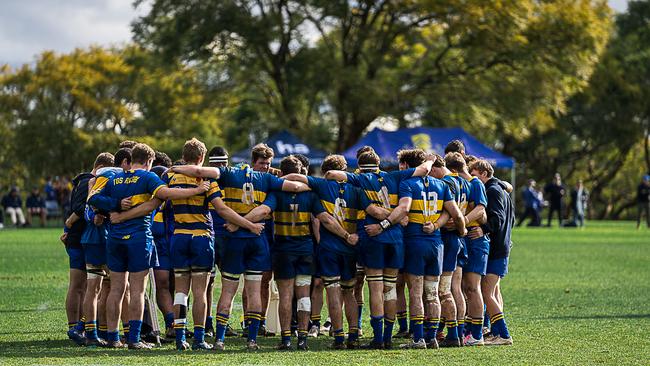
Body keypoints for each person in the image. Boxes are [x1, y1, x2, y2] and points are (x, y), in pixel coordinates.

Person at [169, 149, 309, 351]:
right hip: (255, 239)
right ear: (254, 162)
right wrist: (311, 183)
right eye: (264, 162)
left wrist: (175, 168)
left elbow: (199, 171)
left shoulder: (228, 173)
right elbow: (290, 190)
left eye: (268, 163)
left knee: (227, 291)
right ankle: (251, 340)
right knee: (252, 291)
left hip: (232, 240)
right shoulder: (268, 179)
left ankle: (219, 340)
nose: (267, 166)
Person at [89, 143, 210, 349]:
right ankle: (135, 339)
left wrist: (116, 206)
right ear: (149, 161)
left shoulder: (114, 178)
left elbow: (93, 198)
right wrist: (197, 190)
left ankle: (113, 337)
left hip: (115, 239)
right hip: (138, 239)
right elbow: (167, 194)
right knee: (137, 290)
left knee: (116, 289)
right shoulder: (148, 177)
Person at [323, 149, 433, 349]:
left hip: (373, 238)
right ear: (379, 164)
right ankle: (389, 338)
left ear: (360, 166)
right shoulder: (394, 176)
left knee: (375, 288)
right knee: (389, 288)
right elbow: (424, 169)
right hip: (397, 239)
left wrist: (333, 175)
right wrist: (431, 160)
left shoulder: (359, 180)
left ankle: (378, 338)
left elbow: (332, 174)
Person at [244, 155, 355, 350]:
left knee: (286, 296)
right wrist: (346, 235)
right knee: (304, 295)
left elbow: (262, 211)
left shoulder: (276, 193)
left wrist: (240, 222)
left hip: (283, 250)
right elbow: (326, 220)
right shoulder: (311, 195)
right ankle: (302, 339)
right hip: (305, 250)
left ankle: (286, 339)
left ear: (283, 172)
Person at [284, 155, 364, 349]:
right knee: (349, 292)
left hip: (329, 248)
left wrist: (275, 176)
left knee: (333, 292)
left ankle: (338, 338)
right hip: (351, 248)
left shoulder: (321, 185)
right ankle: (353, 335)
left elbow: (296, 177)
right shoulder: (357, 188)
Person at [394, 149, 466, 349]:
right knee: (434, 294)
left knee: (416, 294)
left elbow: (404, 209)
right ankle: (433, 337)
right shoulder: (442, 185)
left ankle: (418, 339)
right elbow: (457, 215)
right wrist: (461, 231)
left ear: (409, 167)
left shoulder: (407, 183)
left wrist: (394, 220)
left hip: (415, 243)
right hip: (436, 245)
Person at [469, 159, 514, 346]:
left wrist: (484, 229)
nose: (473, 180)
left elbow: (498, 219)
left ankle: (503, 334)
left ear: (484, 174)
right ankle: (496, 332)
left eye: (475, 175)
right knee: (494, 291)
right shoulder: (501, 188)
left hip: (496, 248)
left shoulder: (493, 190)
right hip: (502, 246)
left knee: (486, 292)